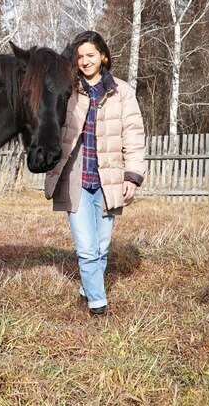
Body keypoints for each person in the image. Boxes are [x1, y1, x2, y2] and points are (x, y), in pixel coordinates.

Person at [45, 31, 146, 315]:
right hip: (75, 179)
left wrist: (132, 176)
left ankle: (88, 287)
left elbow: (134, 136)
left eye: (91, 55)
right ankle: (98, 304)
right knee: (88, 249)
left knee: (101, 248)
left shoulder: (122, 92)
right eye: (79, 56)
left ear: (103, 56)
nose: (85, 61)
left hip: (108, 180)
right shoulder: (67, 90)